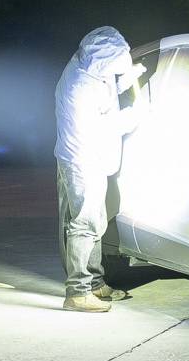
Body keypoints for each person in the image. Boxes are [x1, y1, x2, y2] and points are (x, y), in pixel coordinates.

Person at [54, 26, 144, 312]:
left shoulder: (87, 65)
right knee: (84, 224)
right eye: (117, 58)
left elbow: (103, 94)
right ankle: (78, 292)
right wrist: (133, 116)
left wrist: (122, 83)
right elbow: (102, 126)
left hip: (85, 158)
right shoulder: (81, 87)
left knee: (94, 223)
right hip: (82, 160)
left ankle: (93, 283)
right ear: (104, 57)